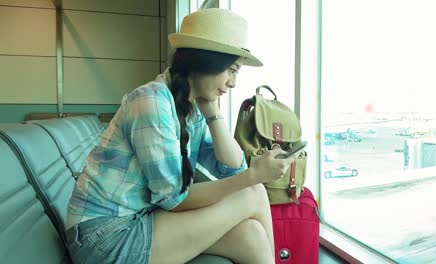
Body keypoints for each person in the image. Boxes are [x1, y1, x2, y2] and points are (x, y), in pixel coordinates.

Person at [65, 8, 298, 264]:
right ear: (205, 63)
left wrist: (213, 114)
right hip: (102, 238)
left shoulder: (192, 108)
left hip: (139, 218)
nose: (233, 83)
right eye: (231, 70)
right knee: (253, 192)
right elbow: (173, 200)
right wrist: (254, 176)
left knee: (251, 234)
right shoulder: (151, 101)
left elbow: (232, 168)